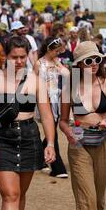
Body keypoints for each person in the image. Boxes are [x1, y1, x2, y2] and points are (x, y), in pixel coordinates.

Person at [0, 36, 56, 210]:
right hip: (2, 137)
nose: (18, 61)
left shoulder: (36, 81)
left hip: (29, 137)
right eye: (14, 57)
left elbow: (46, 114)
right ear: (5, 56)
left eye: (22, 56)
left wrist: (50, 143)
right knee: (10, 194)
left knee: (20, 194)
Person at [59, 41, 106, 210]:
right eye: (88, 61)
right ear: (79, 64)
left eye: (96, 59)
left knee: (98, 200)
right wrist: (69, 134)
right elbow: (63, 121)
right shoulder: (70, 87)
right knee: (86, 198)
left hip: (103, 142)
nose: (93, 64)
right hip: (79, 142)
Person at [34, 36, 69, 178]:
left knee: (52, 129)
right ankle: (58, 168)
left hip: (55, 98)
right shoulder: (38, 63)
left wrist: (58, 64)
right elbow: (34, 81)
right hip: (43, 98)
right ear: (49, 49)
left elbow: (67, 74)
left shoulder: (57, 62)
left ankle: (39, 156)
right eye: (56, 51)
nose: (58, 54)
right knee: (52, 131)